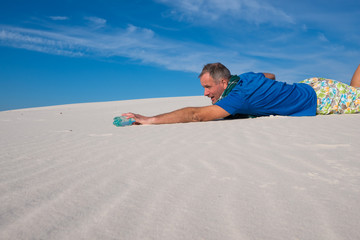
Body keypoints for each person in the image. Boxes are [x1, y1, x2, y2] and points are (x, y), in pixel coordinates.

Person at [122, 63, 360, 125]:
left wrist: (150, 119)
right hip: (315, 84)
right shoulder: (245, 77)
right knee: (356, 90)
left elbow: (197, 116)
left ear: (223, 82)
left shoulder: (238, 98)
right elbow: (271, 75)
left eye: (208, 87)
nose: (205, 93)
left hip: (322, 98)